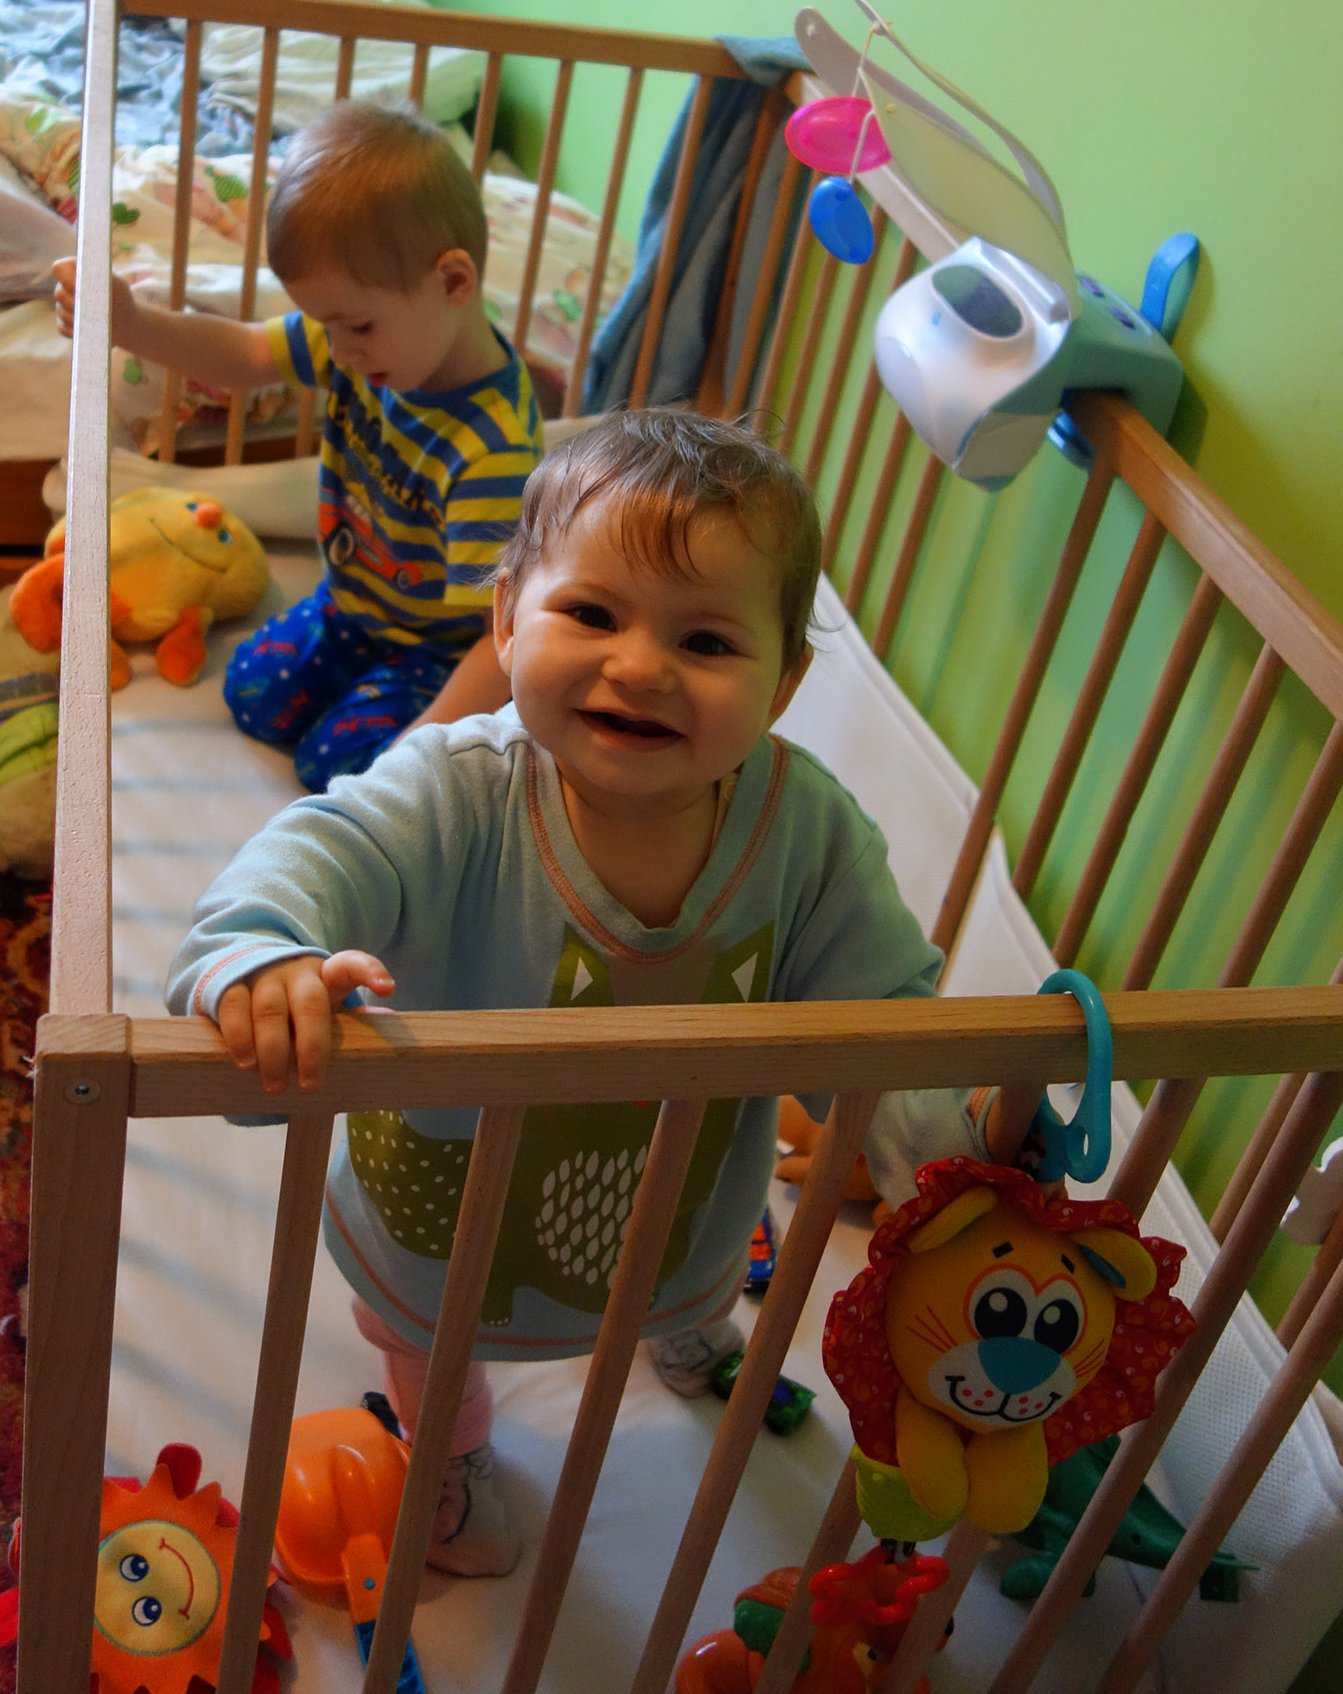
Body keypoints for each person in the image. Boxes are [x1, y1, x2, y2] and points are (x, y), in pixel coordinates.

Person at [165, 410, 1043, 1575]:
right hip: (450, 1210)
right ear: (505, 618)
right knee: (429, 1338)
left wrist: (951, 1157)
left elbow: (882, 1016)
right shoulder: (455, 790)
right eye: (590, 614)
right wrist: (262, 951)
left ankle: (685, 1333)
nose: (639, 667)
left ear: (783, 683)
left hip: (681, 1201)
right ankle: (451, 1453)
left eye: (706, 640)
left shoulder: (806, 831)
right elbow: (319, 849)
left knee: (687, 1267)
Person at [54, 100, 542, 788]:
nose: (337, 352)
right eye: (325, 327)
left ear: (454, 283)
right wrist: (132, 324)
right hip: (354, 604)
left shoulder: (491, 453)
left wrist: (419, 746)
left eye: (356, 328)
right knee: (252, 692)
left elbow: (499, 644)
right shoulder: (364, 341)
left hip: (439, 651)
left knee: (338, 765)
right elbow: (246, 354)